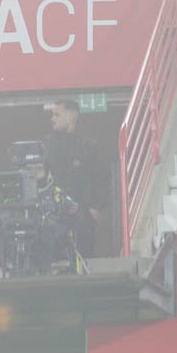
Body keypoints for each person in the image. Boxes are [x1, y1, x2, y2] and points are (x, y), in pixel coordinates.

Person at [43, 97, 110, 255]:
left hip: (83, 217)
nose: (52, 119)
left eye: (56, 115)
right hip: (55, 218)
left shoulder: (89, 145)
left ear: (71, 117)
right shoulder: (48, 144)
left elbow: (102, 180)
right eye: (52, 115)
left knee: (84, 259)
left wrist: (94, 211)